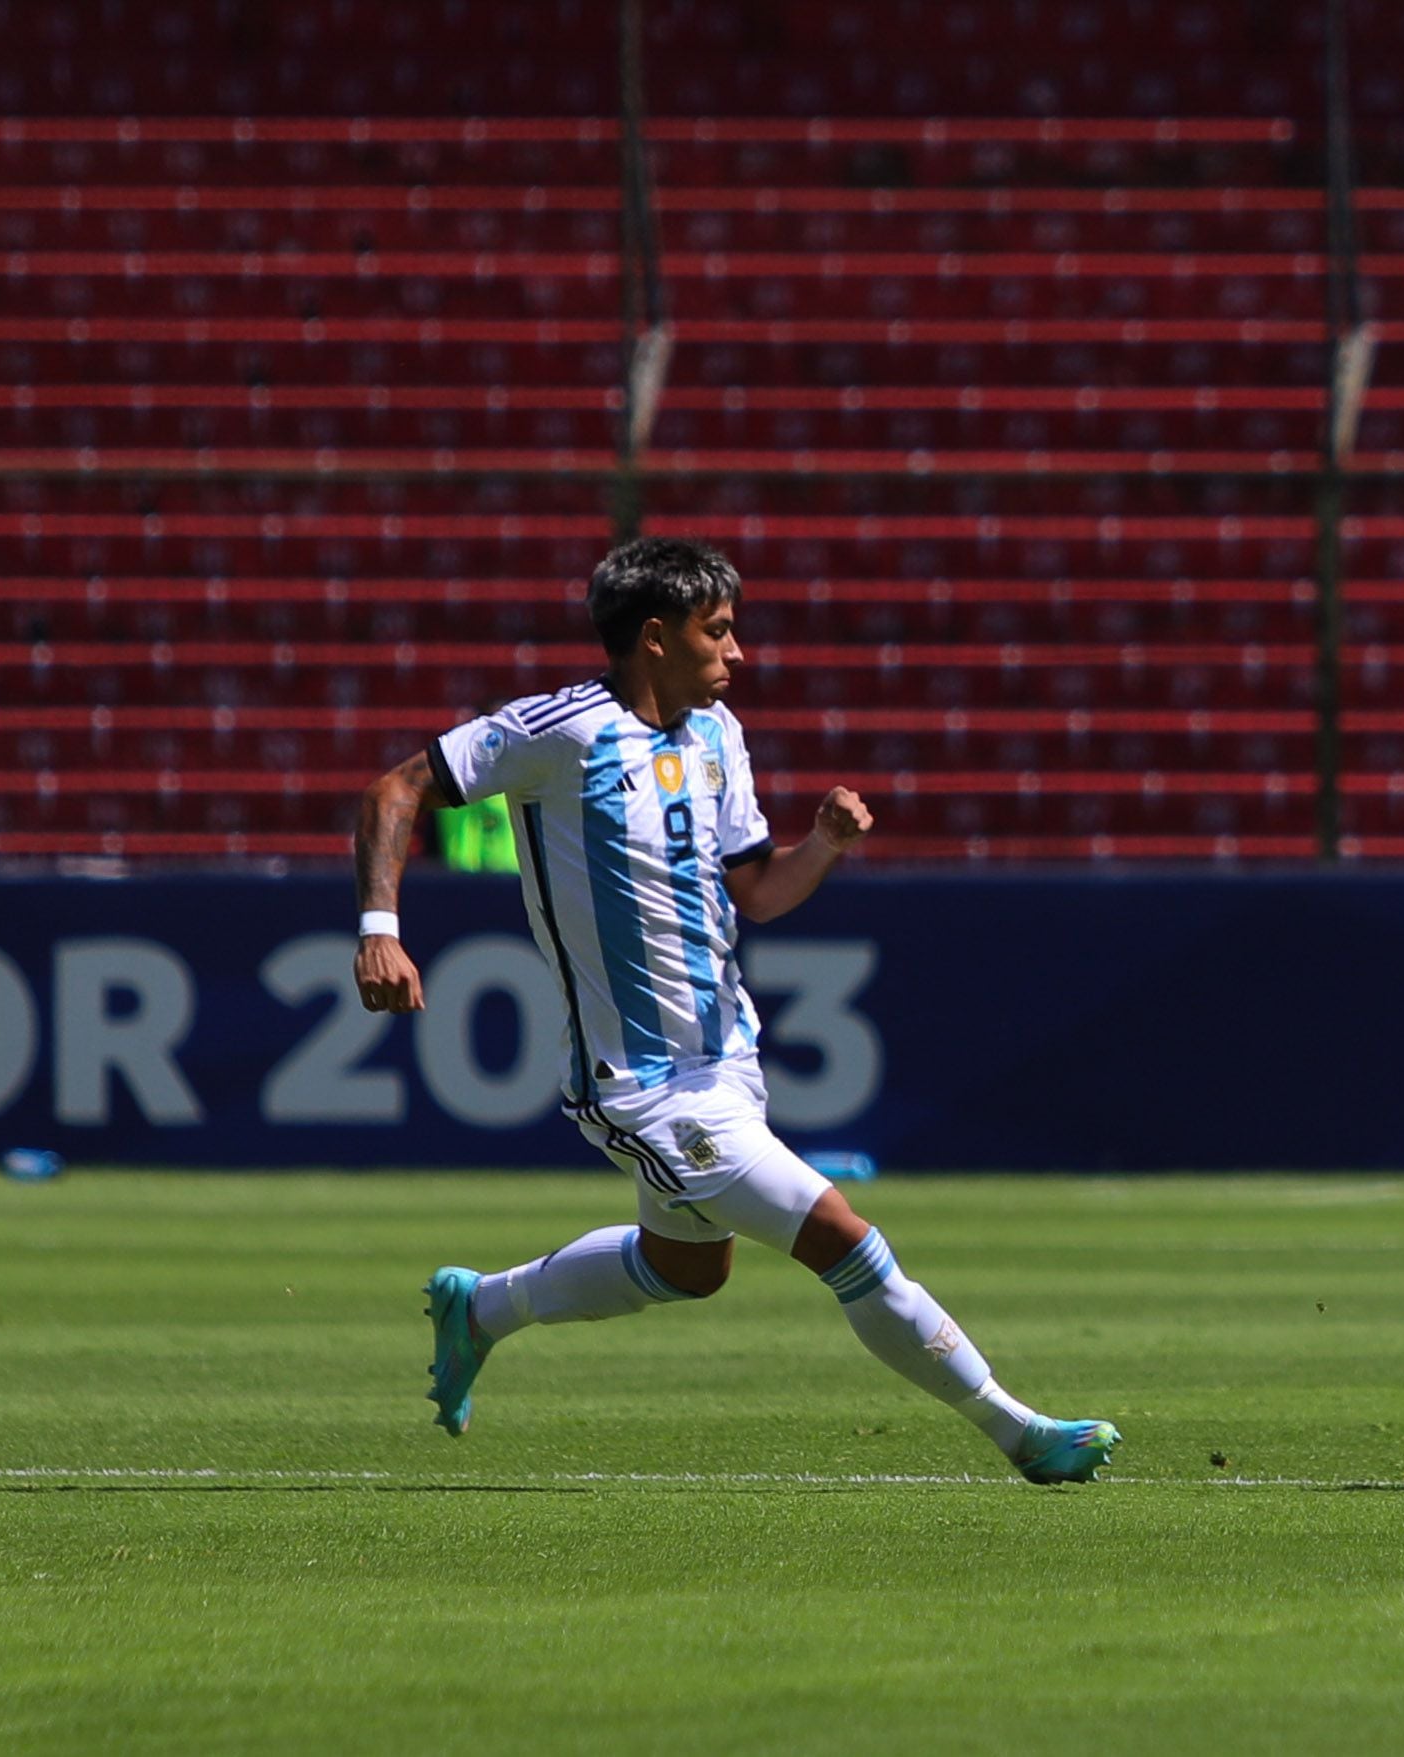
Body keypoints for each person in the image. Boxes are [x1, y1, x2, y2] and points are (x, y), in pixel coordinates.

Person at [352, 536, 1120, 1484]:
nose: (738, 651)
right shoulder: (565, 730)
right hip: (642, 1082)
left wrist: (823, 844)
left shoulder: (719, 736)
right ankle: (1019, 1430)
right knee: (842, 1238)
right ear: (654, 637)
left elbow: (755, 891)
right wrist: (379, 927)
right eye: (718, 631)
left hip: (726, 1060)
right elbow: (400, 786)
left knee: (688, 1269)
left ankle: (481, 1309)